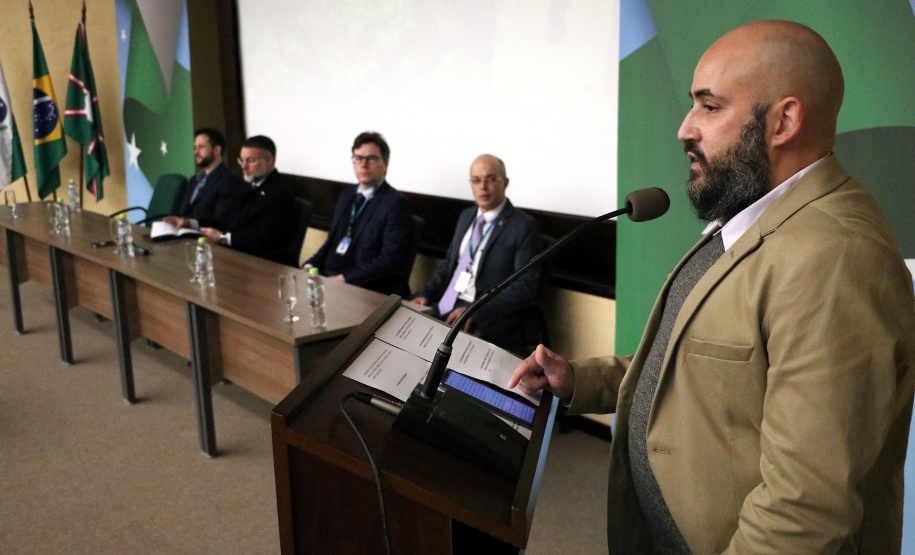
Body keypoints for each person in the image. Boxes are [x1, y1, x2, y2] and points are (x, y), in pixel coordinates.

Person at [508, 20, 915, 553]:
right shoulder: (756, 217)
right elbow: (699, 371)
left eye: (709, 106)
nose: (684, 128)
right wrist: (580, 381)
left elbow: (804, 511)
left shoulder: (836, 257)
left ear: (784, 121)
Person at [412, 154, 541, 347]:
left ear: (505, 183)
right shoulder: (466, 216)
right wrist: (424, 295)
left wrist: (474, 311)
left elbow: (525, 287)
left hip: (485, 316)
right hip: (446, 305)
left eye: (491, 179)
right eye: (476, 180)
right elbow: (448, 267)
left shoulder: (524, 226)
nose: (483, 187)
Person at [304, 132, 413, 293]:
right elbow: (332, 241)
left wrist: (344, 279)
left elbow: (390, 260)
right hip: (328, 278)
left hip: (362, 285)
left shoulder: (395, 203)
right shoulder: (347, 194)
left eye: (371, 159)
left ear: (385, 162)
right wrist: (310, 265)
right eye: (358, 158)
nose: (364, 164)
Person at [165, 135, 298, 263]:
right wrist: (189, 223)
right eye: (242, 160)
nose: (244, 166)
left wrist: (223, 238)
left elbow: (265, 239)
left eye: (251, 160)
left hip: (261, 264)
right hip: (237, 256)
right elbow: (225, 220)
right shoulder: (247, 186)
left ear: (269, 161)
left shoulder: (280, 193)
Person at [173, 128, 245, 222]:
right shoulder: (193, 180)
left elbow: (221, 220)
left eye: (201, 147)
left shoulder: (229, 180)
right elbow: (184, 212)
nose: (196, 152)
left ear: (217, 150)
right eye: (195, 147)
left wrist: (189, 224)